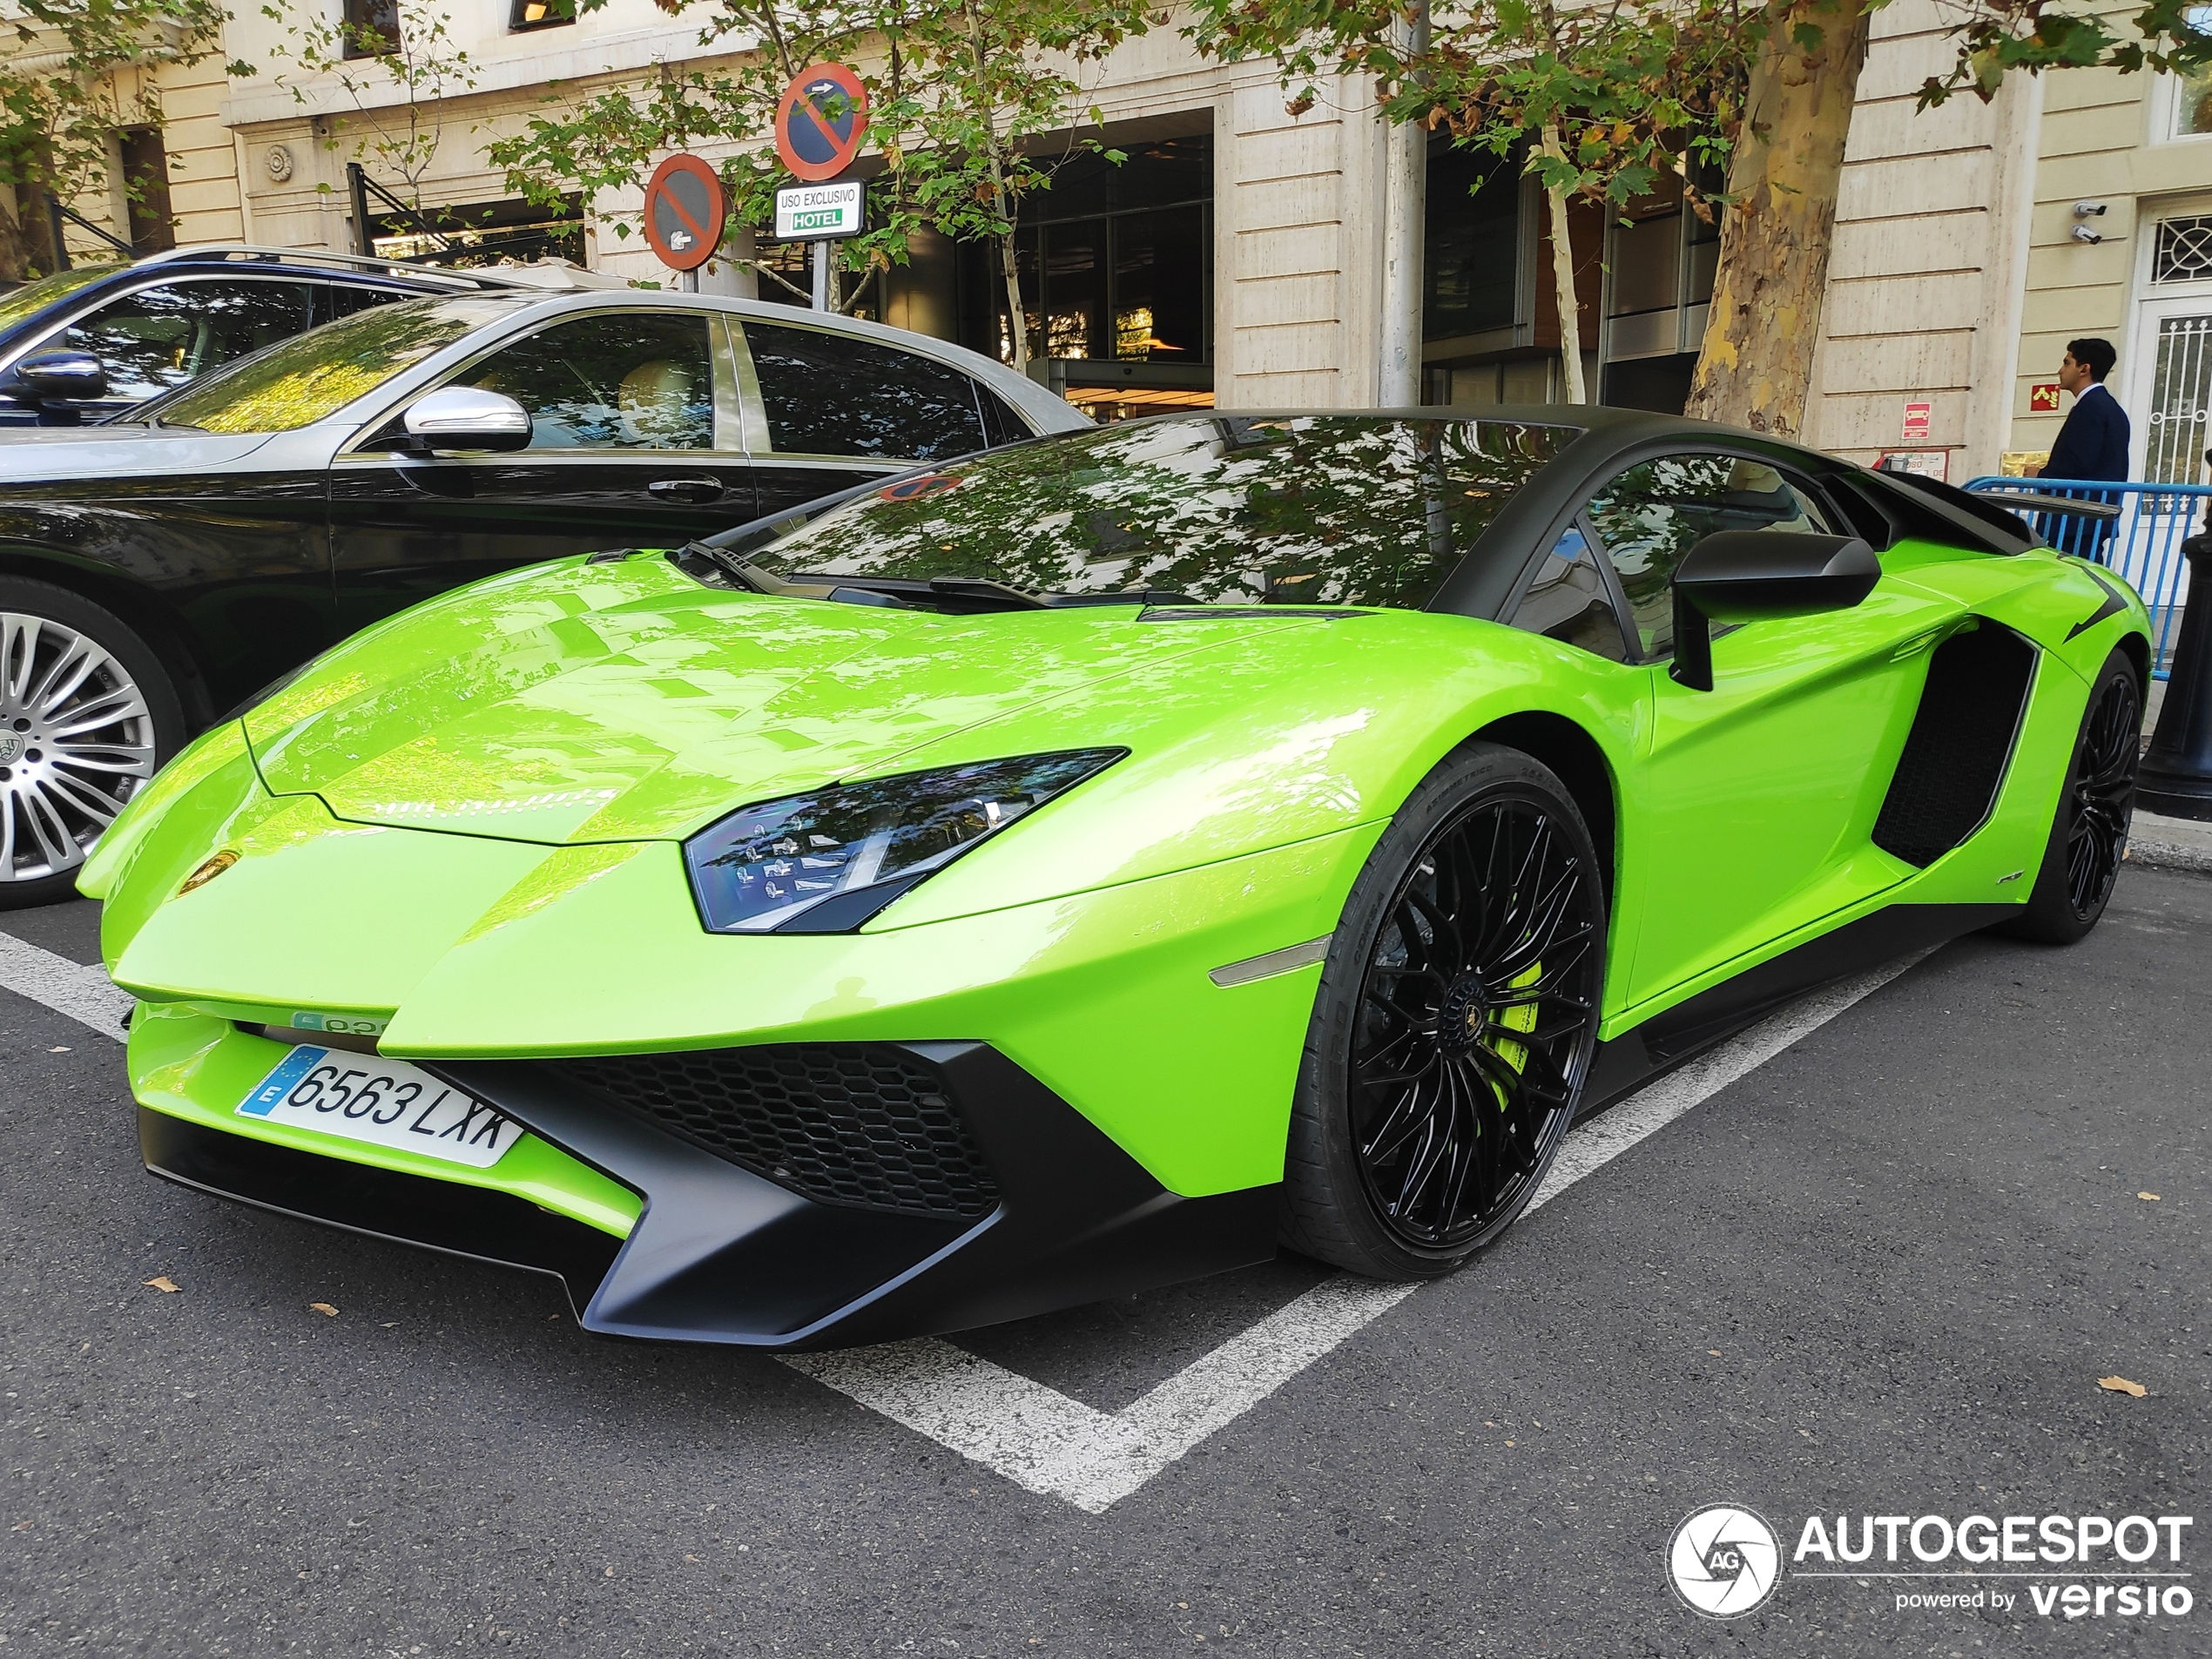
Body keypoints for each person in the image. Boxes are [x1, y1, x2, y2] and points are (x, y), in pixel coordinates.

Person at [2040, 338, 2129, 558]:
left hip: (2076, 519)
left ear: (2084, 368)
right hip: (2087, 518)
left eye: (2067, 362)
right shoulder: (2108, 407)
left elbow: (2078, 462)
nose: (2060, 370)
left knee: (2073, 581)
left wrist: (2041, 476)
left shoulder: (2092, 407)